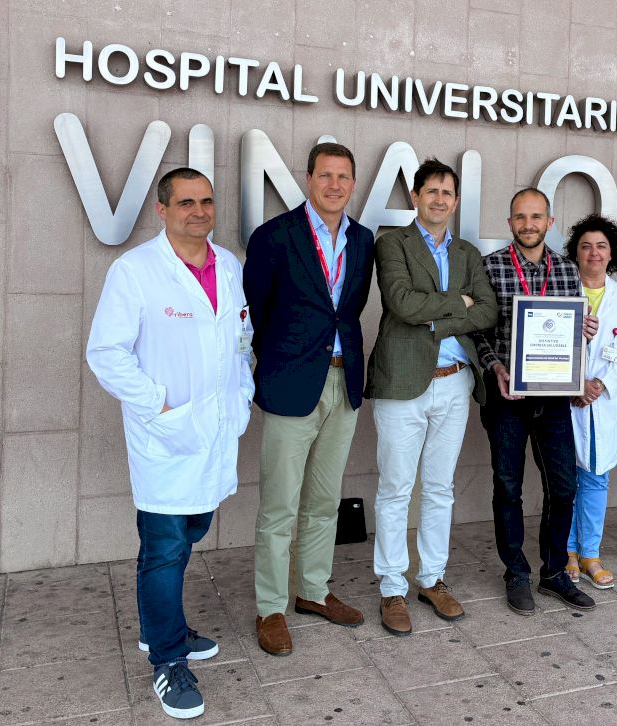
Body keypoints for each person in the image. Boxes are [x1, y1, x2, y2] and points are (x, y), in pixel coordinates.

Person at [87, 168, 253, 719]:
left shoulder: (228, 265)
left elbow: (241, 336)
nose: (199, 211)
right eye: (186, 202)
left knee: (192, 530)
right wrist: (157, 404)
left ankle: (163, 625)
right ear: (162, 210)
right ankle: (167, 658)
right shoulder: (135, 271)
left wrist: (243, 392)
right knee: (163, 547)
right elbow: (106, 353)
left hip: (214, 428)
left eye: (206, 201)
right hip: (166, 432)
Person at [243, 142, 375, 656]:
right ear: (309, 178)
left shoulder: (362, 240)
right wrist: (278, 365)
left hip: (344, 382)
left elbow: (350, 310)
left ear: (353, 183)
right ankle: (270, 607)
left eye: (343, 177)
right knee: (279, 505)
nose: (334, 185)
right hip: (293, 384)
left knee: (323, 501)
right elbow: (256, 314)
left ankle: (313, 591)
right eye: (325, 175)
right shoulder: (275, 235)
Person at [364, 158, 498, 636]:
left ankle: (432, 579)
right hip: (402, 382)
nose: (439, 199)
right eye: (431, 191)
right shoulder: (392, 244)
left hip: (455, 382)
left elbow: (487, 311)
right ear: (415, 197)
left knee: (440, 487)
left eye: (447, 193)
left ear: (455, 202)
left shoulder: (466, 252)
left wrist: (435, 320)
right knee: (396, 488)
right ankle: (391, 587)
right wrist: (457, 304)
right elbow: (401, 303)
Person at [473, 187, 599, 615]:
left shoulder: (566, 270)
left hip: (554, 398)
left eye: (537, 217)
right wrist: (495, 367)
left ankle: (554, 571)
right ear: (509, 222)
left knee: (563, 487)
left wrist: (583, 331)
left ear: (550, 222)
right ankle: (516, 573)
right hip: (506, 396)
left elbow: (567, 333)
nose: (528, 224)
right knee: (508, 487)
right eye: (520, 217)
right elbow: (477, 331)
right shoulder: (489, 267)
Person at [562, 214, 617, 590]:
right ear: (575, 253)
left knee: (595, 477)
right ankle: (566, 551)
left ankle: (590, 553)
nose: (593, 253)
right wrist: (575, 384)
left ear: (612, 253)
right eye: (586, 246)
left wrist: (599, 384)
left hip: (604, 400)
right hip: (567, 399)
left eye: (601, 246)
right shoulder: (561, 292)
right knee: (565, 480)